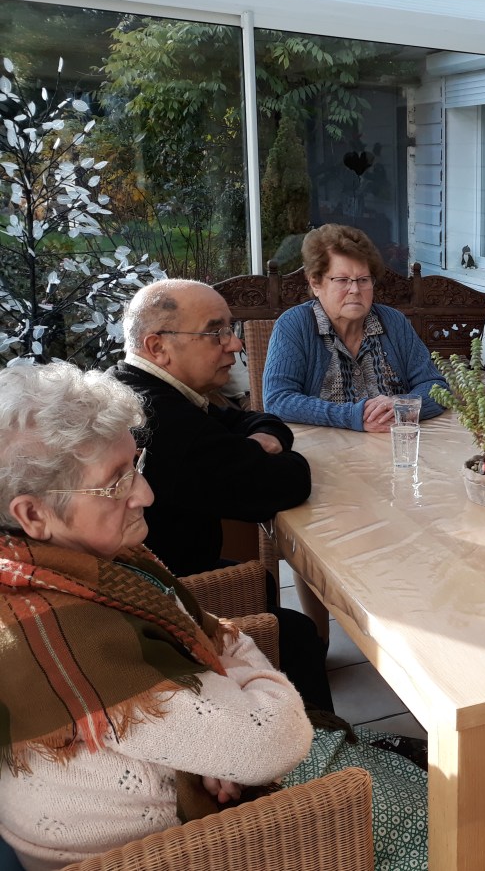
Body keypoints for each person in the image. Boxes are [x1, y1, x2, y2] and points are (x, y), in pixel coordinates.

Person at [0, 363, 427, 871]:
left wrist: (220, 743)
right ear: (32, 514)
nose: (145, 494)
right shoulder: (63, 633)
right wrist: (234, 725)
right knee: (436, 819)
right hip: (166, 850)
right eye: (115, 483)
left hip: (186, 783)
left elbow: (214, 643)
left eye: (135, 465)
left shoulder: (86, 566)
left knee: (400, 765)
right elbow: (275, 741)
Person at [112, 279, 331, 713]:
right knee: (297, 634)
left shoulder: (142, 387)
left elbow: (253, 420)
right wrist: (263, 449)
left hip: (165, 576)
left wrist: (259, 440)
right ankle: (312, 740)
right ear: (158, 346)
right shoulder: (164, 422)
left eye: (231, 329)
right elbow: (289, 482)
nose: (234, 344)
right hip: (154, 610)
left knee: (262, 583)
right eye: (216, 332)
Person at [262, 224, 447, 432]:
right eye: (342, 280)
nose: (355, 289)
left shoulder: (394, 322)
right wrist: (354, 416)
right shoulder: (294, 326)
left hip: (392, 443)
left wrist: (400, 405)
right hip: (325, 447)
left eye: (363, 280)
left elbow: (437, 387)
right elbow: (278, 399)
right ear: (315, 283)